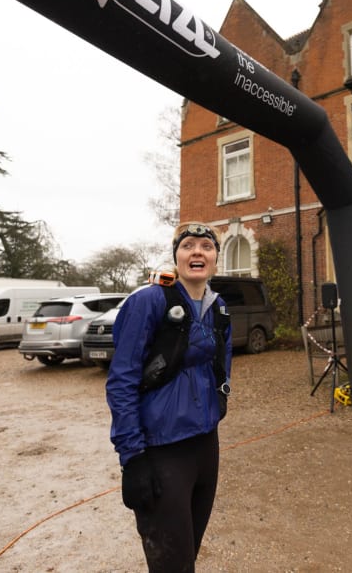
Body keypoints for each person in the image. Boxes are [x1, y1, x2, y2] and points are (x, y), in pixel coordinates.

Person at [106, 222, 232, 569]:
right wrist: (132, 457)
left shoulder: (218, 307)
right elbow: (121, 381)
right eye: (188, 245)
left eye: (206, 246)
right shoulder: (149, 301)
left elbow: (222, 365)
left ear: (215, 258)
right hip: (161, 450)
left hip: (205, 445)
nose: (197, 252)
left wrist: (220, 403)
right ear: (176, 256)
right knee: (171, 564)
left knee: (187, 553)